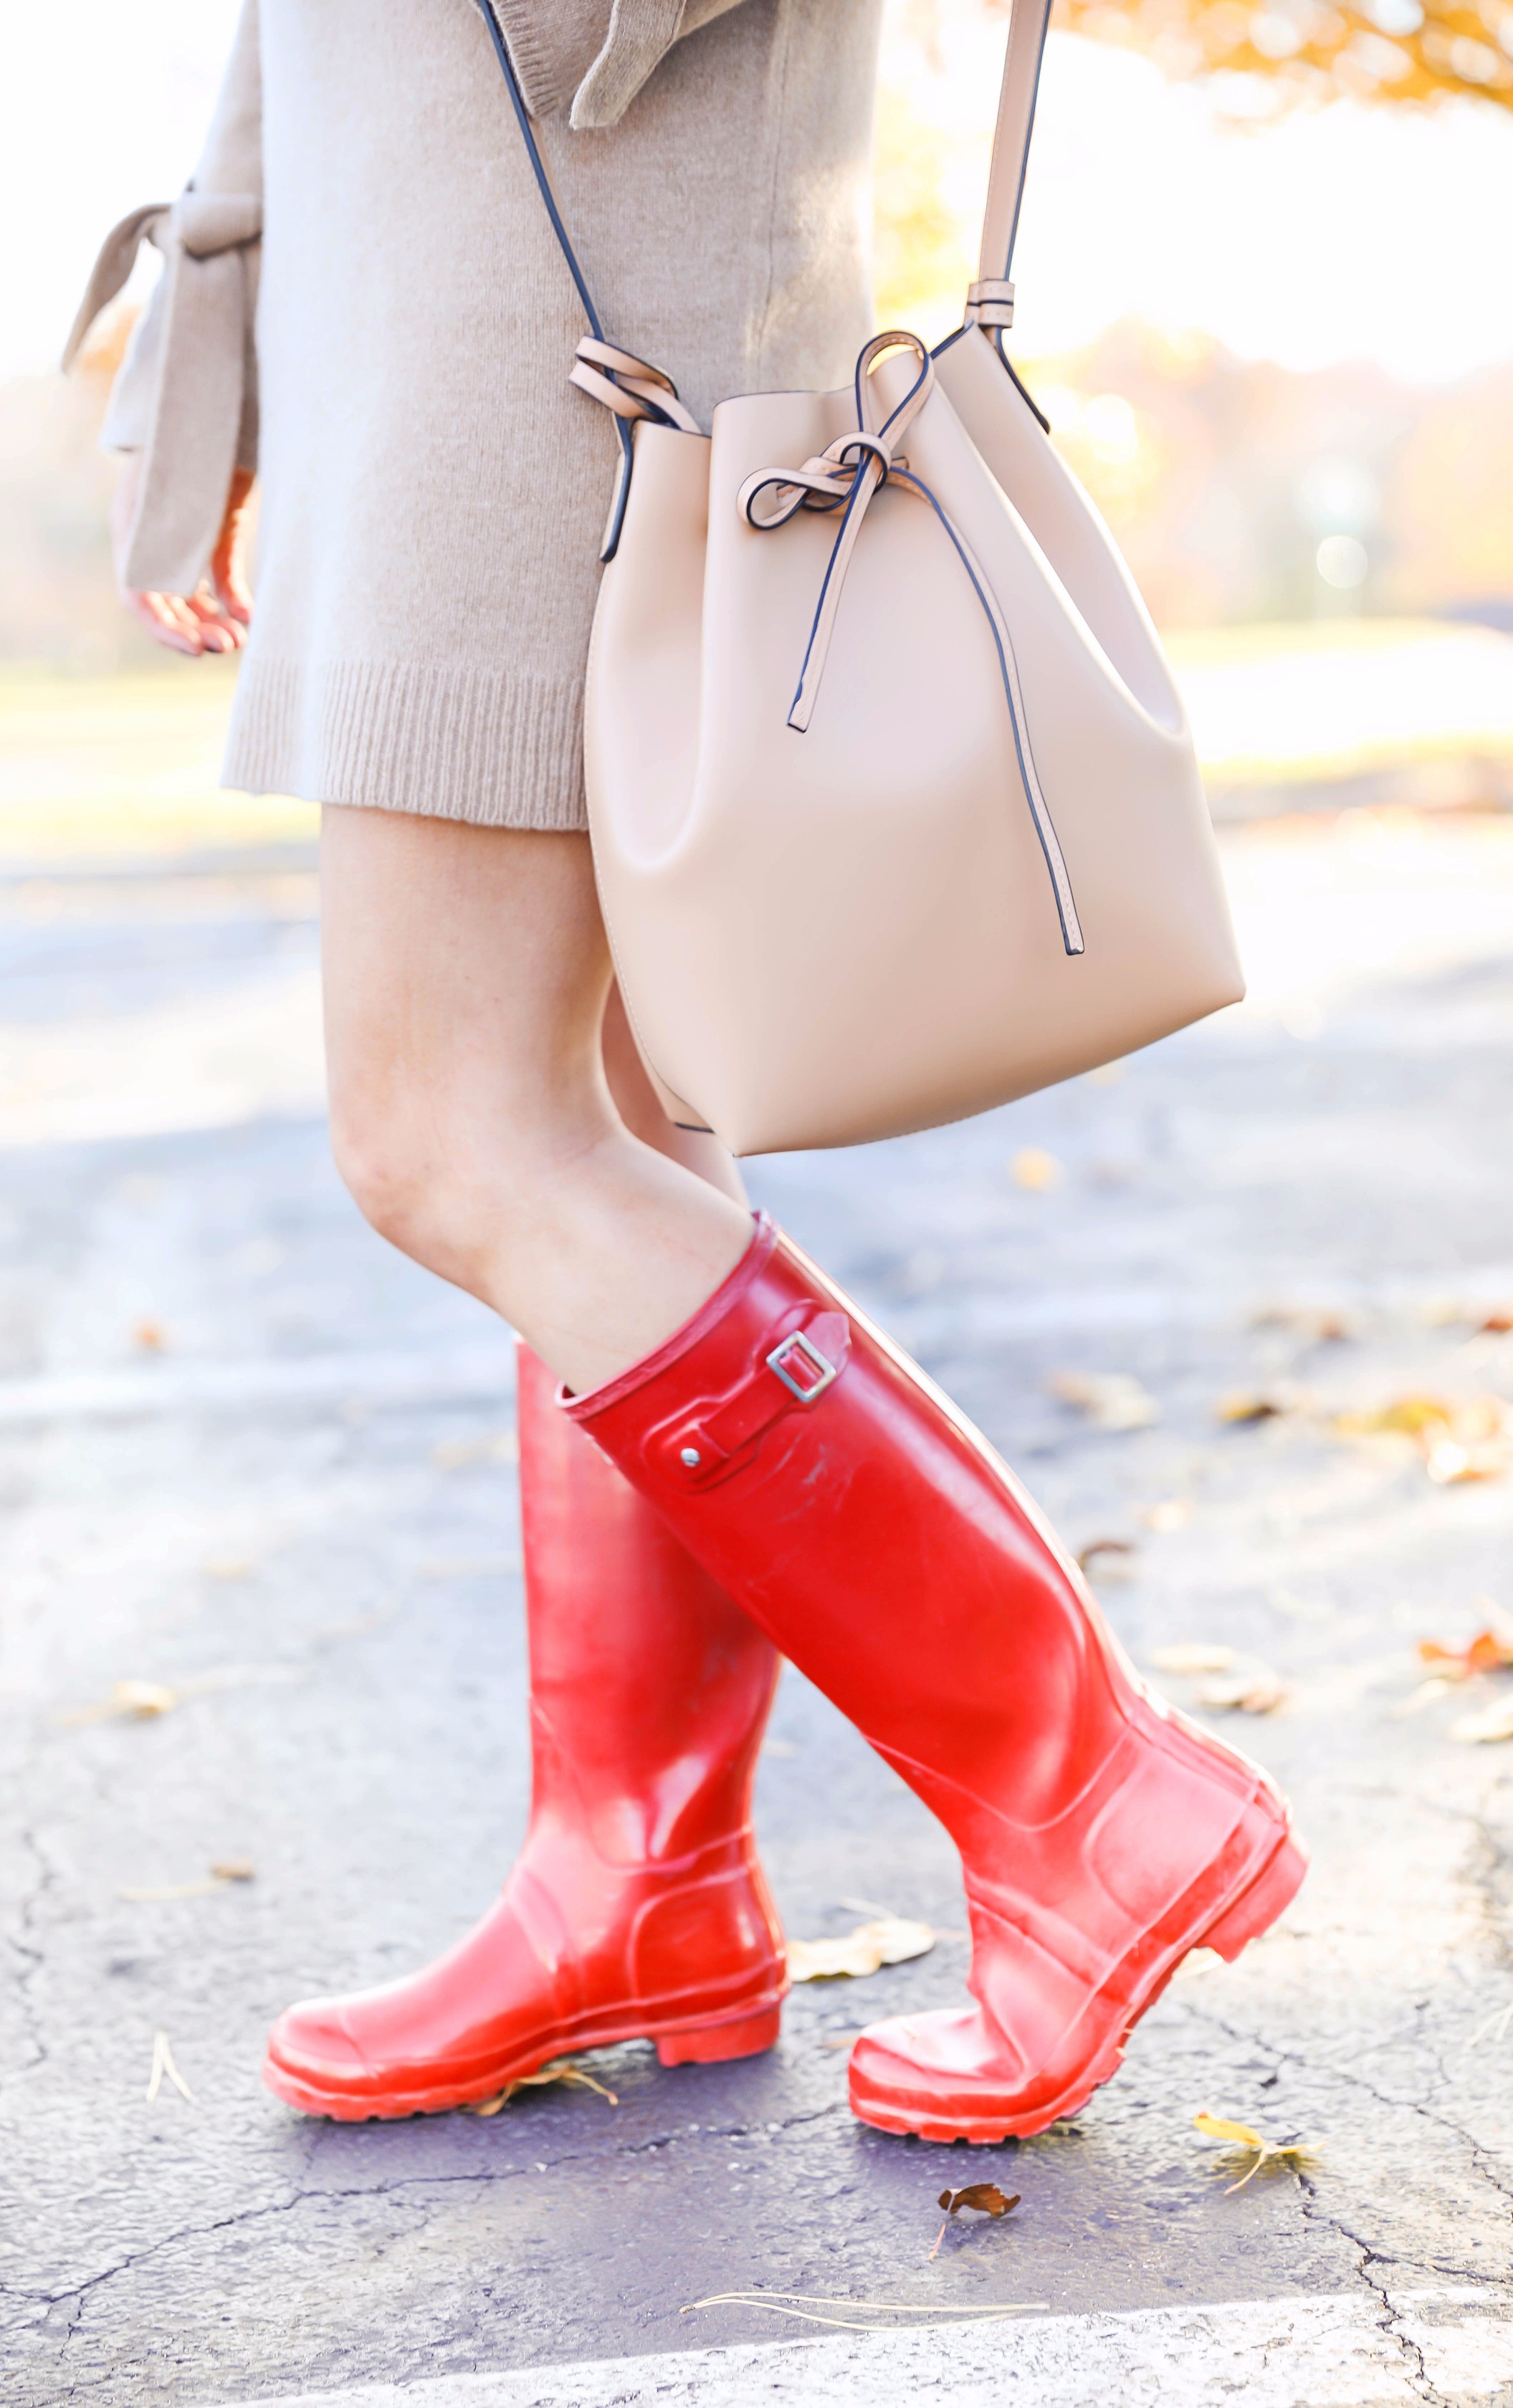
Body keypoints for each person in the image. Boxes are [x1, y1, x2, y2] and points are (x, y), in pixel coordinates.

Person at [67, 0, 1304, 2145]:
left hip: (555, 334)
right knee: (598, 1131)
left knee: (457, 1135)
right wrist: (231, 342)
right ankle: (638, 1879)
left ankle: (1086, 1793)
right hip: (452, 317)